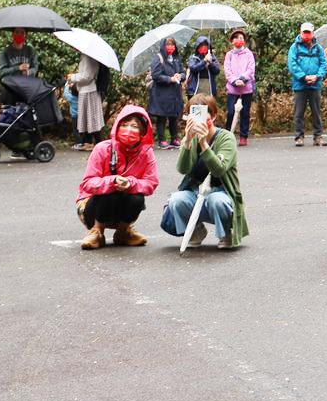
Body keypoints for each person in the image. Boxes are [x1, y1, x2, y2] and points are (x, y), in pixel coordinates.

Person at [161, 94, 247, 249]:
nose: (197, 119)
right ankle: (196, 230)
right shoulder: (190, 138)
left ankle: (226, 232)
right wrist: (187, 141)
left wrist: (204, 145)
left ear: (213, 116)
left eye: (202, 114)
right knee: (176, 200)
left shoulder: (226, 138)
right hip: (197, 192)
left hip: (222, 192)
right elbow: (182, 169)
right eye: (193, 114)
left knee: (217, 201)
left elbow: (219, 170)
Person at [76, 105, 159, 249]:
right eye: (125, 125)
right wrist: (112, 181)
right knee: (111, 191)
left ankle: (123, 232)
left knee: (137, 197)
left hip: (122, 208)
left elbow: (151, 183)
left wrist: (131, 184)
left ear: (143, 132)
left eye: (134, 126)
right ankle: (96, 232)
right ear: (117, 127)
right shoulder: (102, 148)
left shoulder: (147, 153)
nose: (128, 130)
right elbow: (87, 183)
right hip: (92, 208)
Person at [288, 22, 327, 146]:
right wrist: (304, 77)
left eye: (308, 33)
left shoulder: (319, 48)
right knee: (299, 112)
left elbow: (324, 63)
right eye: (304, 32)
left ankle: (318, 136)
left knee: (316, 112)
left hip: (315, 84)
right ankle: (299, 137)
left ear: (313, 33)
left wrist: (317, 76)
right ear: (300, 33)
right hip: (300, 85)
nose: (306, 35)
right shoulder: (294, 47)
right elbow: (292, 65)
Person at [148, 37, 185, 149]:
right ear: (163, 46)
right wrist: (170, 79)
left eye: (172, 45)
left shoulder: (176, 58)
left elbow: (183, 72)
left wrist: (181, 76)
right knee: (162, 117)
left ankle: (175, 138)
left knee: (174, 116)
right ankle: (162, 139)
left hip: (174, 93)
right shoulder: (158, 58)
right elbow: (156, 75)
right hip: (161, 93)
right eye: (168, 45)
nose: (170, 47)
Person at [224, 29, 255, 146]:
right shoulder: (229, 55)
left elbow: (251, 69)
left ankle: (243, 136)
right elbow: (227, 70)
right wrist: (235, 81)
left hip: (246, 88)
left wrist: (242, 79)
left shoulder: (249, 53)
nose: (239, 40)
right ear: (232, 41)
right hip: (233, 89)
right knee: (231, 112)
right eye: (236, 38)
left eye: (241, 38)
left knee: (245, 113)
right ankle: (227, 136)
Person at [68, 53, 105, 145]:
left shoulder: (89, 57)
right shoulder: (87, 56)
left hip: (89, 90)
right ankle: (89, 143)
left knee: (92, 120)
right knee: (89, 119)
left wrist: (72, 77)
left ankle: (99, 144)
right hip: (87, 90)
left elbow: (88, 76)